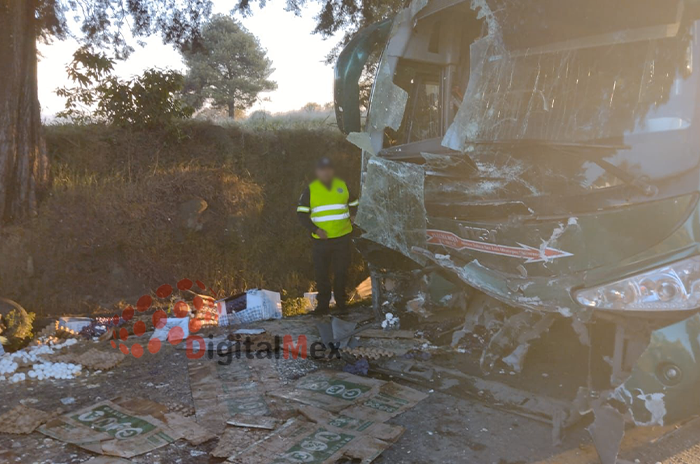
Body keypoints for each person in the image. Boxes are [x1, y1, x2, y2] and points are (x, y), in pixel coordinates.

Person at [297, 157, 359, 315]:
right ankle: (323, 306)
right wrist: (315, 229)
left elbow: (354, 203)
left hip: (342, 238)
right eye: (322, 170)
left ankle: (341, 304)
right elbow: (302, 214)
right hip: (321, 241)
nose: (326, 172)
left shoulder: (342, 185)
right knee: (322, 274)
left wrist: (354, 215)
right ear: (317, 172)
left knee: (341, 272)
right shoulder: (311, 189)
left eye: (328, 169)